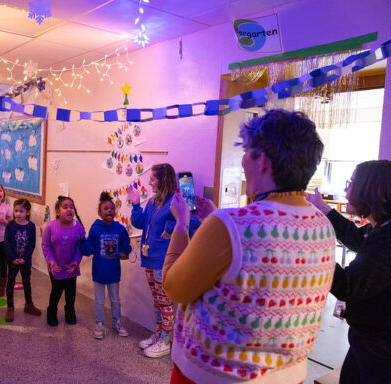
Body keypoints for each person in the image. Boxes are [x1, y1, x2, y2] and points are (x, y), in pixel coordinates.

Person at [163, 109, 337, 384]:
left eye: (246, 151)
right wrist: (215, 223)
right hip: (290, 376)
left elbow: (174, 287)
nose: (243, 160)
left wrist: (182, 224)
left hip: (212, 377)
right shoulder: (323, 226)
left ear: (263, 161)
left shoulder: (228, 224)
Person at [307, 160, 391, 383]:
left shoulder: (387, 238)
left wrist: (309, 249)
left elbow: (348, 285)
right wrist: (324, 210)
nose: (346, 189)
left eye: (352, 182)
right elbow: (357, 239)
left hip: (379, 347)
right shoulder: (382, 226)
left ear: (370, 189)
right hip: (366, 339)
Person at [127, 163, 177, 358]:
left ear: (163, 180)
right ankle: (158, 334)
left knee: (165, 303)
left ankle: (166, 340)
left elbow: (186, 221)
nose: (149, 182)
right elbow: (138, 223)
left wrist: (171, 228)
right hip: (148, 258)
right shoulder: (153, 202)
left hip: (162, 261)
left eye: (153, 178)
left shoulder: (175, 202)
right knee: (157, 301)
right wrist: (136, 203)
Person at [83, 192, 132, 339]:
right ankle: (99, 324)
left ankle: (117, 322)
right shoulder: (95, 228)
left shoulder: (120, 228)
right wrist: (82, 244)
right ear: (100, 212)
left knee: (115, 299)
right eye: (106, 208)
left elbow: (125, 246)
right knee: (99, 300)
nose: (109, 211)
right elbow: (89, 248)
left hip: (114, 273)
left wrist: (125, 251)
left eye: (112, 208)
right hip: (98, 272)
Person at [42, 196, 86, 326]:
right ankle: (51, 312)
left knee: (71, 292)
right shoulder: (50, 227)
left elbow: (81, 246)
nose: (69, 209)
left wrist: (75, 262)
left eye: (71, 207)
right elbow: (45, 245)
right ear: (57, 211)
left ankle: (70, 312)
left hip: (71, 267)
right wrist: (51, 262)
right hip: (56, 267)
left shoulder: (78, 226)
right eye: (65, 207)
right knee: (56, 291)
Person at [4, 199, 41, 322]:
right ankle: (10, 306)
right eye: (16, 211)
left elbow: (31, 245)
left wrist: (24, 258)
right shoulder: (10, 225)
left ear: (28, 212)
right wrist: (13, 258)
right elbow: (7, 243)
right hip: (12, 260)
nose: (18, 214)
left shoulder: (31, 226)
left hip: (25, 261)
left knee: (27, 282)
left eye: (21, 211)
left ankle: (29, 305)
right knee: (10, 283)